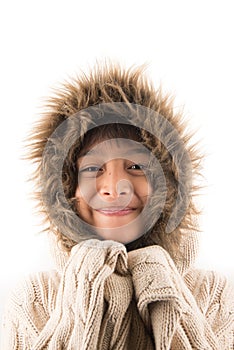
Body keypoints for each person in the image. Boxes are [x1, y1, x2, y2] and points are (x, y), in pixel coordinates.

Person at [1, 63, 234, 349]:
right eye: (92, 168)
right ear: (66, 188)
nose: (115, 187)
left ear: (168, 186)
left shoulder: (217, 295)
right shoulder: (33, 298)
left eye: (136, 166)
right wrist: (85, 287)